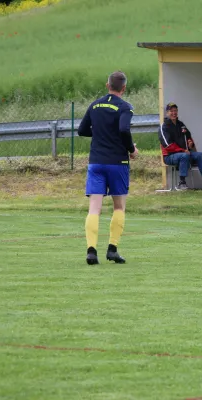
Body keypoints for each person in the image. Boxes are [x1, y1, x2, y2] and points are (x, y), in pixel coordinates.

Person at [78, 71, 138, 265]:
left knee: (94, 208)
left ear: (107, 85)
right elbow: (123, 129)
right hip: (117, 163)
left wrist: (100, 134)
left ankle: (91, 251)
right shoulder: (124, 107)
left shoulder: (94, 105)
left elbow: (82, 130)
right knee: (119, 206)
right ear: (124, 88)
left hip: (96, 162)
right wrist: (132, 149)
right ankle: (112, 249)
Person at [159, 102, 202, 190]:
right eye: (171, 111)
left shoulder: (181, 125)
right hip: (169, 156)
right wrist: (182, 150)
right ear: (167, 113)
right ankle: (181, 183)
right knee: (184, 156)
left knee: (199, 155)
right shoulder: (164, 126)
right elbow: (167, 145)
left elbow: (189, 138)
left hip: (185, 152)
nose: (174, 113)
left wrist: (190, 144)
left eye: (175, 111)